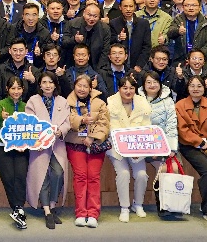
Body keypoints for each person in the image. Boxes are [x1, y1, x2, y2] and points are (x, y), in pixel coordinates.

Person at [176, 75, 207, 225]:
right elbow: (182, 130)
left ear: (204, 88)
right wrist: (198, 142)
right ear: (188, 88)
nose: (196, 89)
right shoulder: (180, 105)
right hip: (189, 145)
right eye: (192, 86)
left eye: (199, 86)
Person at [65, 71, 109, 227]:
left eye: (85, 86)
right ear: (74, 86)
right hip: (75, 144)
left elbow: (104, 124)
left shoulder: (100, 103)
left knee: (93, 177)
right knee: (80, 177)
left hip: (95, 145)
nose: (82, 89)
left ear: (91, 88)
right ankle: (81, 213)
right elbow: (68, 120)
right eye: (79, 86)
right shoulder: (67, 102)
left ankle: (93, 214)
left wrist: (92, 137)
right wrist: (82, 119)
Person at [26, 72, 70, 229]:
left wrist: (61, 131)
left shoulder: (62, 101)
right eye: (44, 82)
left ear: (55, 84)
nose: (47, 85)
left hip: (57, 144)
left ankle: (52, 204)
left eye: (51, 82)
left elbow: (67, 122)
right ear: (39, 84)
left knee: (58, 172)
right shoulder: (33, 101)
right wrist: (38, 138)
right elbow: (29, 123)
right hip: (39, 145)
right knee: (42, 176)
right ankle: (47, 211)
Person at [107, 74, 151, 222]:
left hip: (137, 148)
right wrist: (125, 147)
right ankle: (124, 207)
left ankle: (138, 204)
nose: (128, 91)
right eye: (124, 88)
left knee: (142, 174)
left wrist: (137, 150)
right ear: (119, 89)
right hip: (117, 148)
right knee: (124, 173)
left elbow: (146, 128)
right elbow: (112, 130)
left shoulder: (143, 103)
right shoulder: (111, 103)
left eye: (131, 88)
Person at [137, 71, 178, 216]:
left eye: (155, 82)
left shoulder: (168, 101)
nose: (152, 85)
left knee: (173, 167)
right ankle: (163, 206)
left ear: (160, 84)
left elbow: (171, 126)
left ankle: (170, 206)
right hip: (143, 146)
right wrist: (150, 149)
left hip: (164, 145)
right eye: (148, 82)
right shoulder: (137, 100)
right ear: (143, 85)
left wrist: (171, 148)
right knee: (162, 168)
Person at [0, 78, 30, 228]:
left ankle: (18, 208)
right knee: (8, 177)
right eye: (13, 88)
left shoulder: (26, 106)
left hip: (21, 147)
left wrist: (24, 144)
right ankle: (18, 208)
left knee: (20, 175)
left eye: (19, 88)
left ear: (23, 90)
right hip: (2, 145)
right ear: (7, 89)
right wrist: (0, 119)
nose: (16, 91)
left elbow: (30, 129)